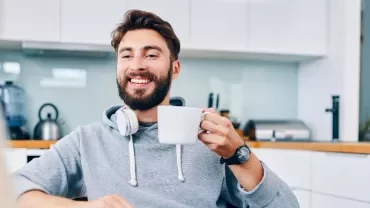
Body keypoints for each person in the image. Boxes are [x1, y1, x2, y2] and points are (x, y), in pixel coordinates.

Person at [12, 9, 299, 208]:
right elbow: (12, 192)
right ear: (118, 67)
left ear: (174, 68)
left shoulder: (212, 143)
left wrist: (240, 155)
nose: (137, 65)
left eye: (151, 54)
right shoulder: (86, 142)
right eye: (127, 55)